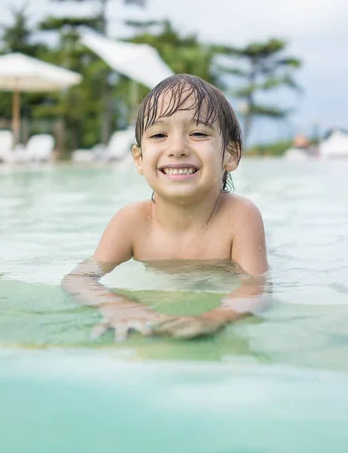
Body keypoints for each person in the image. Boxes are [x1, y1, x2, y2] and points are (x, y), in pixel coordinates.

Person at [61, 74, 269, 341]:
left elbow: (257, 288)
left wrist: (214, 318)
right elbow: (78, 280)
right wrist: (116, 304)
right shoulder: (132, 222)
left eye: (198, 133)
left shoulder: (239, 217)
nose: (177, 148)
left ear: (230, 154)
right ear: (139, 159)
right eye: (159, 134)